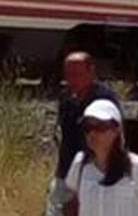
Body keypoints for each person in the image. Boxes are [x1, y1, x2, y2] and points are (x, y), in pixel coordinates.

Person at [45, 52, 121, 216]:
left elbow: (111, 143)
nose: (71, 79)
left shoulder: (104, 101)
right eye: (68, 75)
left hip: (93, 175)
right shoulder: (66, 98)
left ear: (91, 72)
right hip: (65, 172)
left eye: (77, 74)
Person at [65, 99, 138, 216]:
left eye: (101, 127)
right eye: (88, 127)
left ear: (116, 130)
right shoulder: (79, 164)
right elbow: (73, 202)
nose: (92, 133)